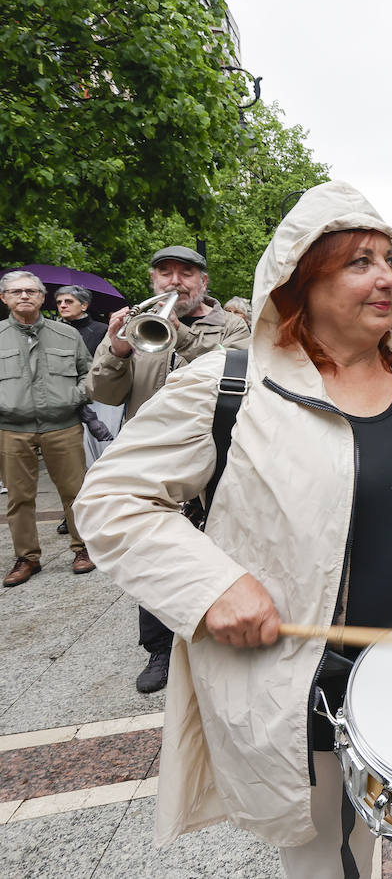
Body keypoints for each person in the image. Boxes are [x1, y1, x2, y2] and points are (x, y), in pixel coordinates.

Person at [74, 181, 392, 879]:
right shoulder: (229, 386)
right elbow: (111, 499)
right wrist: (214, 586)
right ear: (300, 284)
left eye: (387, 259)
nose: (387, 278)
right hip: (315, 686)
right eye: (357, 263)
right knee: (324, 863)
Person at [88, 244, 252, 694]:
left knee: (215, 545)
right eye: (165, 274)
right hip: (153, 458)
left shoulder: (232, 325)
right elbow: (102, 390)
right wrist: (118, 348)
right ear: (153, 280)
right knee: (154, 549)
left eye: (186, 273)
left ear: (203, 282)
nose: (175, 281)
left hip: (217, 454)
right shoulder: (136, 322)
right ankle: (160, 649)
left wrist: (179, 333)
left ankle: (224, 623)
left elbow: (237, 370)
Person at [0, 270, 96, 586]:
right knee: (18, 498)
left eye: (31, 291)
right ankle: (27, 558)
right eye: (16, 291)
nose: (24, 296)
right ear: (4, 298)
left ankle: (84, 549)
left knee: (75, 491)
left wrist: (75, 395)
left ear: (42, 298)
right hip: (12, 428)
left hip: (63, 425)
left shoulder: (67, 335)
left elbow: (90, 373)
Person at [56, 285, 122, 466]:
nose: (62, 305)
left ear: (84, 306)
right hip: (67, 396)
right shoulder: (53, 332)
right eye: (59, 302)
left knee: (105, 446)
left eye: (68, 301)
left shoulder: (102, 330)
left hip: (101, 396)